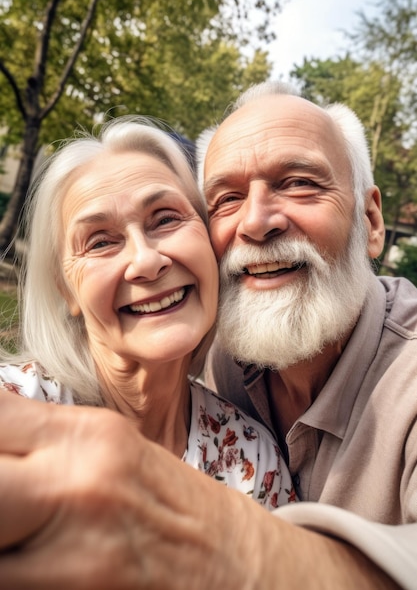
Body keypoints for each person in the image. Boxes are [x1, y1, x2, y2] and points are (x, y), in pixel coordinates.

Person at [0, 83, 415, 589]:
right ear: (66, 286)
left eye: (299, 182)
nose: (257, 222)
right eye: (228, 198)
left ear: (372, 221)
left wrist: (229, 544)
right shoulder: (20, 408)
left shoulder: (249, 452)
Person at [0, 115, 295, 509]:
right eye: (101, 242)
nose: (146, 260)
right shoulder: (15, 414)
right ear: (65, 288)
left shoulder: (253, 460)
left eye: (166, 219)